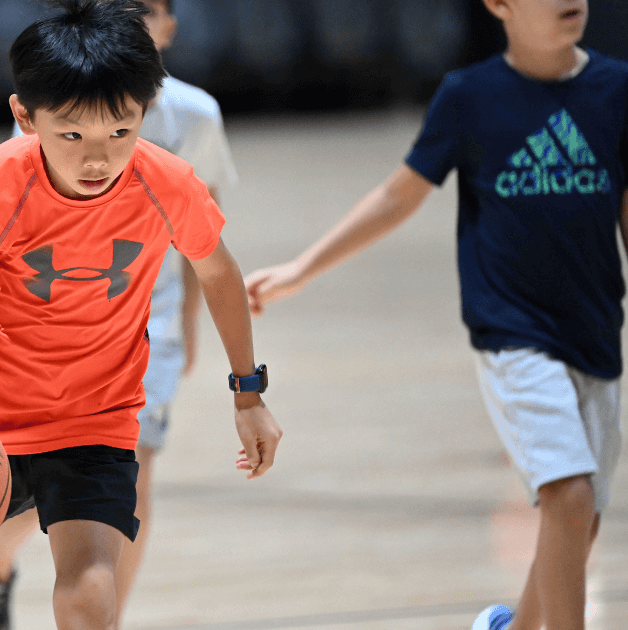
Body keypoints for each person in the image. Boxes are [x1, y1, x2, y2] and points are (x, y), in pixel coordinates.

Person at [0, 2, 281, 630]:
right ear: (25, 117)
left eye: (120, 132)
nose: (97, 159)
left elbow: (219, 272)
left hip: (95, 419)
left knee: (90, 597)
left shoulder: (169, 182)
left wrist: (249, 394)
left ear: (146, 112)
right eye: (72, 136)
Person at [244, 1, 624, 629]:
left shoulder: (616, 89)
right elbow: (398, 196)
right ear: (499, 5)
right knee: (571, 492)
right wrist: (302, 268)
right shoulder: (470, 96)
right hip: (514, 332)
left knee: (579, 517)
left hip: (595, 330)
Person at [0, 1, 239, 628]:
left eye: (144, 9)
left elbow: (209, 237)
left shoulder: (194, 115)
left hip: (150, 323)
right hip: (58, 327)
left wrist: (191, 324)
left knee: (129, 484)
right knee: (42, 498)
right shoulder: (56, 105)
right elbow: (13, 227)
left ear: (169, 26)